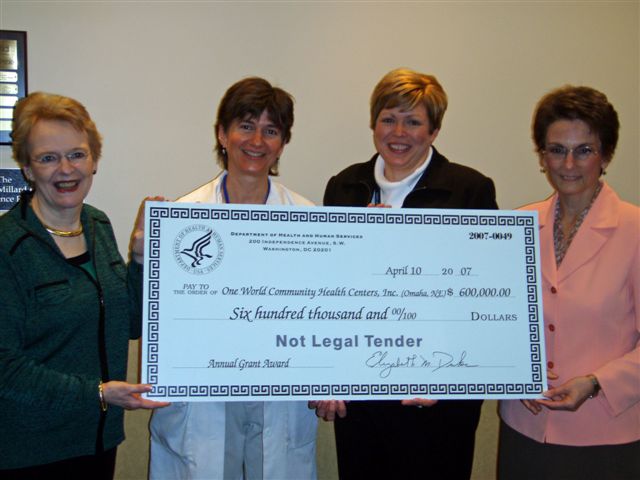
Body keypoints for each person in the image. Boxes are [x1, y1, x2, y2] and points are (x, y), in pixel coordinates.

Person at [313, 68, 498, 479]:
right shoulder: (344, 188)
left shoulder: (469, 190)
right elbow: (327, 293)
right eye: (388, 118)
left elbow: (482, 297)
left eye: (413, 121)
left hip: (435, 398)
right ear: (373, 122)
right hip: (363, 394)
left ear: (434, 131)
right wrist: (328, 375)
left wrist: (446, 377)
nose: (399, 132)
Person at [149, 77, 318, 480]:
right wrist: (145, 256)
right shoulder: (183, 219)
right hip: (205, 396)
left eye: (271, 130)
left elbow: (319, 314)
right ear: (222, 134)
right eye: (245, 125)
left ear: (282, 143)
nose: (257, 140)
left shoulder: (309, 219)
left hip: (277, 390)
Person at [0, 92, 168, 478]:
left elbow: (130, 323)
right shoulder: (7, 245)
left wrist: (141, 258)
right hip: (30, 450)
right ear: (27, 168)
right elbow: (4, 367)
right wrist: (97, 393)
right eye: (47, 158)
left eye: (77, 154)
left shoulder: (98, 224)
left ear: (94, 160)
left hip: (98, 443)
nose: (65, 169)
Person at [498, 86, 640, 479]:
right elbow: (495, 321)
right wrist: (510, 375)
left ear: (606, 154)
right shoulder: (520, 225)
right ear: (542, 156)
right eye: (557, 149)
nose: (569, 164)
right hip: (525, 426)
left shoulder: (635, 230)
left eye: (584, 150)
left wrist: (596, 384)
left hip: (605, 436)